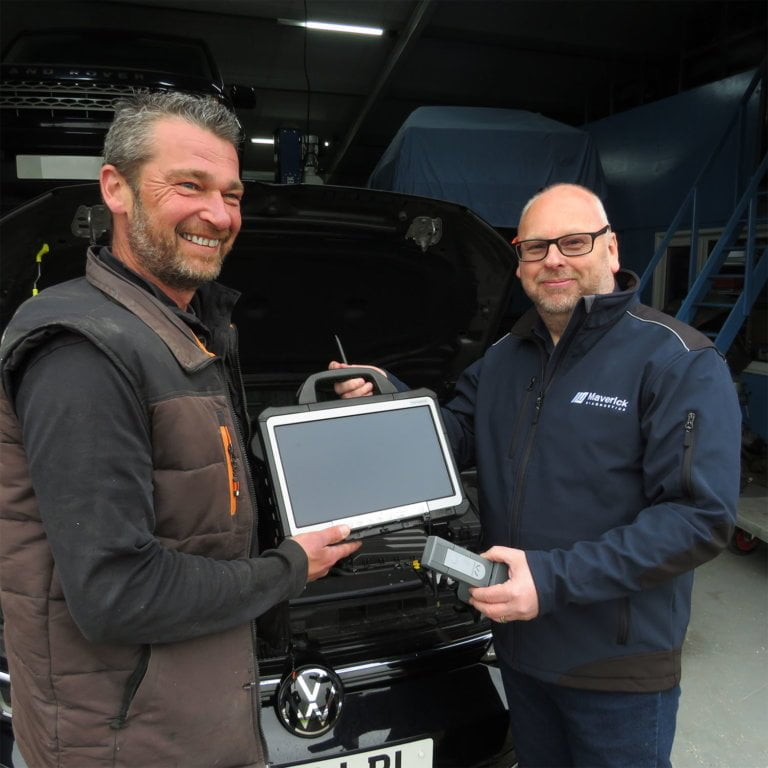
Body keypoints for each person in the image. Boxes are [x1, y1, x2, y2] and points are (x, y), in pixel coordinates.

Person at [0, 91, 360, 768]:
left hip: (196, 724)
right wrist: (288, 569)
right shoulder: (84, 351)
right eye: (188, 186)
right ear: (116, 187)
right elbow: (117, 594)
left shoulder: (185, 331)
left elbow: (199, 489)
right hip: (122, 744)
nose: (218, 215)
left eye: (232, 193)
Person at [332, 183, 741, 767]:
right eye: (535, 246)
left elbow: (699, 519)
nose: (553, 259)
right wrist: (391, 401)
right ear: (520, 261)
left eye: (574, 242)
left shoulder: (676, 361)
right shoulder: (503, 357)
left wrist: (552, 579)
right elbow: (458, 436)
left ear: (612, 250)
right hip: (519, 653)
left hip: (615, 670)